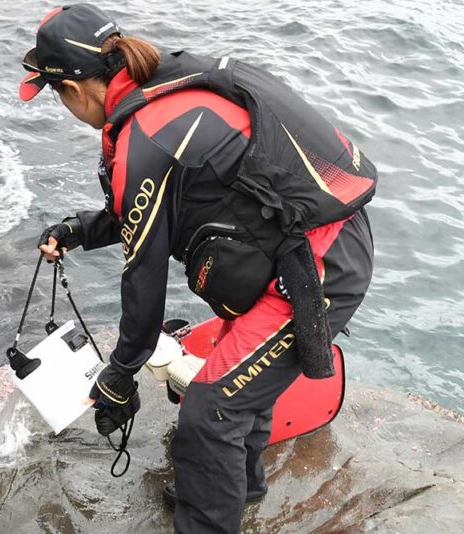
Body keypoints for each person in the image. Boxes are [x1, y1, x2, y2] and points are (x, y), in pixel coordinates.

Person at [20, 4, 375, 533]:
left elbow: (142, 281)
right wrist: (78, 231)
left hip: (314, 267)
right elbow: (144, 213)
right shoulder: (159, 91)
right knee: (236, 386)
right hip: (298, 244)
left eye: (52, 95)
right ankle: (237, 489)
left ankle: (210, 516)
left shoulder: (146, 135)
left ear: (73, 90)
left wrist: (118, 377)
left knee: (211, 411)